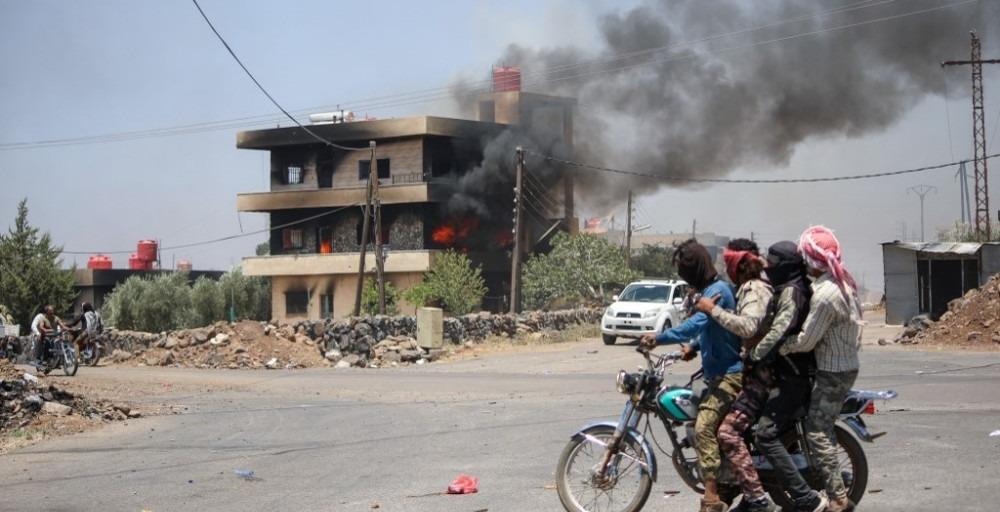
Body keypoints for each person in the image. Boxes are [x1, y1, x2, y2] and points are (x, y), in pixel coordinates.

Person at [713, 242, 826, 512]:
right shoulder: (786, 288)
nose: (769, 269)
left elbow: (778, 331)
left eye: (773, 265)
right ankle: (749, 495)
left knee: (761, 435)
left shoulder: (792, 292)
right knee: (750, 433)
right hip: (782, 373)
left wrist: (754, 355)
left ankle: (803, 498)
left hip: (791, 376)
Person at [640, 239, 742, 512]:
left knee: (704, 429)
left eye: (685, 269)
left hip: (728, 375)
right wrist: (693, 347)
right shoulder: (710, 290)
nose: (682, 275)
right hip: (714, 374)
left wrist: (658, 338)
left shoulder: (717, 292)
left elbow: (696, 324)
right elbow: (709, 329)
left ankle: (711, 497)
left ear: (696, 268)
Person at [780, 226, 863, 512]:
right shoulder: (844, 283)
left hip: (832, 372)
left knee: (817, 430)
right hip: (844, 365)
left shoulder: (826, 294)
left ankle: (838, 498)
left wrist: (778, 346)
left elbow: (806, 340)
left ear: (811, 260)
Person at [693, 239, 775, 511]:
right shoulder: (743, 290)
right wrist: (694, 345)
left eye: (728, 263)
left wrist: (712, 310)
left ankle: (757, 499)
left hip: (762, 374)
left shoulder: (754, 289)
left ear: (737, 266)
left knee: (726, 433)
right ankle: (730, 490)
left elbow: (748, 327)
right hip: (754, 370)